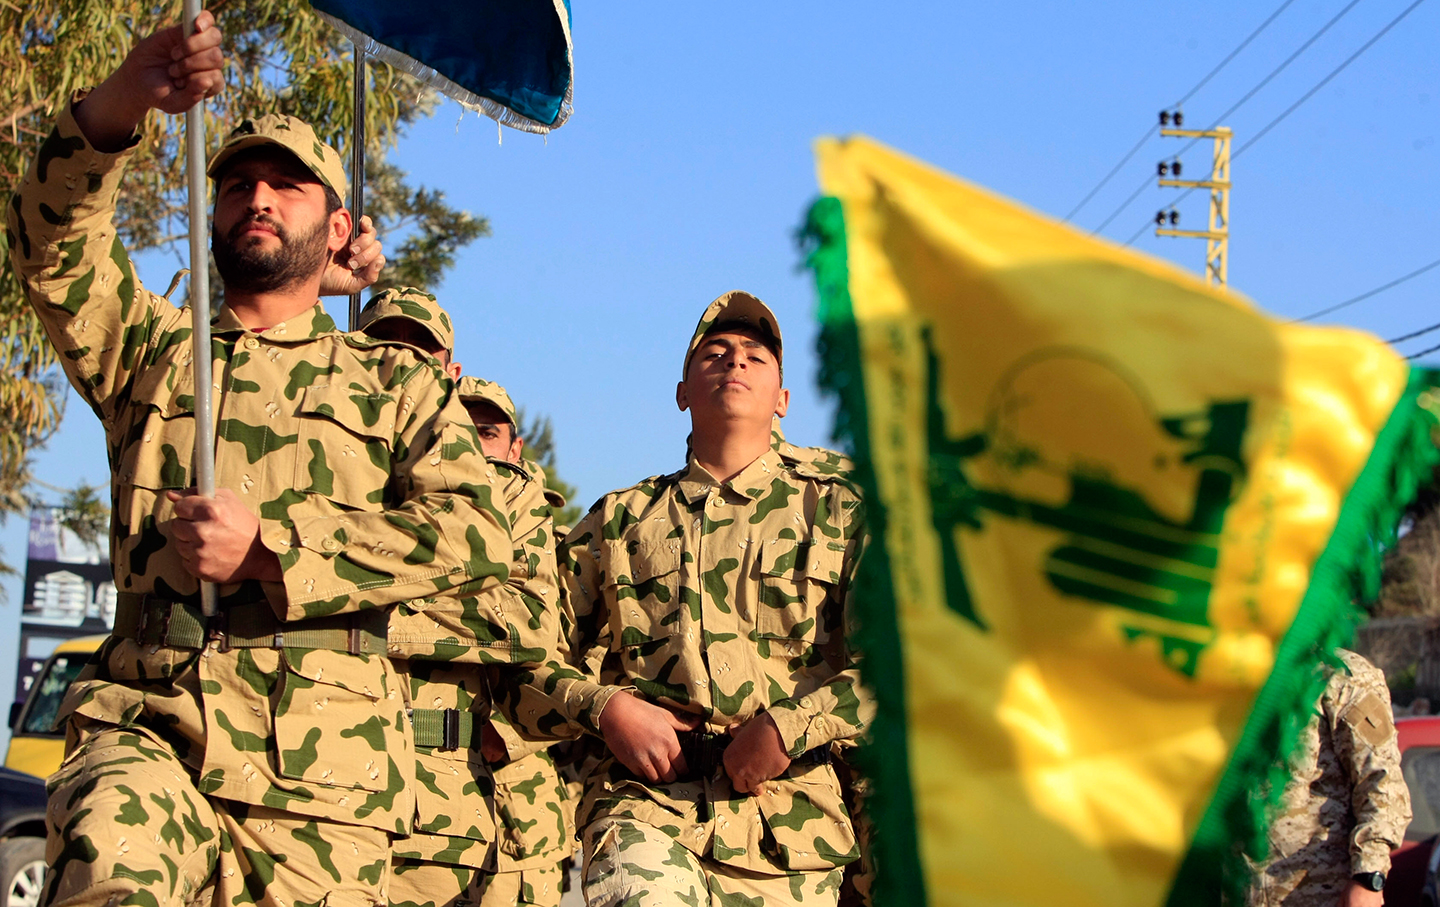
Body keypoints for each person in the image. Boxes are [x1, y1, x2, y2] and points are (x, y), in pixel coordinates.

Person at [7, 15, 514, 907]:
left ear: (340, 223)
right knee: (107, 870)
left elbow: (474, 532)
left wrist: (276, 551)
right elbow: (54, 249)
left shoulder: (393, 380)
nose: (259, 197)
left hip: (329, 781)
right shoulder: (153, 350)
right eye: (238, 182)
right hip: (153, 729)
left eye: (289, 183)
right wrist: (127, 96)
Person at [518, 290, 874, 906]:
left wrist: (791, 728)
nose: (734, 361)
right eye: (714, 353)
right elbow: (526, 658)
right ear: (681, 392)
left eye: (755, 357)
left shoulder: (839, 510)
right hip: (646, 810)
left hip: (791, 828)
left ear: (783, 400)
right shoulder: (619, 520)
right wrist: (606, 709)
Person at [358, 292, 572, 907]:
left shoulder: (511, 497)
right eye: (382, 344)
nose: (400, 361)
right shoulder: (341, 469)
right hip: (339, 779)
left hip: (482, 798)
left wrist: (353, 602)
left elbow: (534, 628)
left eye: (419, 349)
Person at [1247, 649, 1412, 907]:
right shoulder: (1225, 668)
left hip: (1318, 893)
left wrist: (1369, 877)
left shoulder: (1341, 674)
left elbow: (1382, 780)